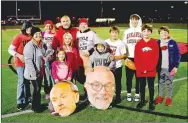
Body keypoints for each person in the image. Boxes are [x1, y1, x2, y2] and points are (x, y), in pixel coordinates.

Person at [8, 21, 33, 110]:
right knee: (22, 81)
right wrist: (19, 55)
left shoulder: (31, 37)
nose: (30, 29)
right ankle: (20, 101)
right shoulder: (18, 37)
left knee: (28, 81)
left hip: (29, 63)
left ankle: (28, 98)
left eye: (31, 27)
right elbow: (10, 50)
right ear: (24, 28)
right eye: (28, 27)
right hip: (20, 63)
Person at [134, 24, 159, 111]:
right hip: (140, 70)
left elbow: (156, 57)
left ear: (151, 32)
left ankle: (151, 102)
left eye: (148, 31)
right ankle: (142, 101)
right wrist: (141, 69)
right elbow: (136, 58)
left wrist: (149, 69)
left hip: (151, 70)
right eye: (144, 31)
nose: (146, 33)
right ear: (142, 32)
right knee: (142, 86)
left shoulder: (154, 43)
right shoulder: (138, 44)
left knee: (151, 86)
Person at [155, 26, 181, 106]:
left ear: (168, 33)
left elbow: (177, 54)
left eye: (165, 32)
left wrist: (176, 66)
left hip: (170, 68)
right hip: (160, 68)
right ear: (159, 34)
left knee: (169, 83)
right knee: (160, 82)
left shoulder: (173, 42)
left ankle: (168, 98)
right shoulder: (157, 43)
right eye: (162, 33)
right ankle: (160, 96)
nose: (164, 34)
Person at [23, 27, 47, 113]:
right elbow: (28, 61)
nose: (38, 35)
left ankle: (37, 105)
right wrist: (34, 74)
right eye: (36, 34)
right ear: (32, 35)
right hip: (33, 73)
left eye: (39, 33)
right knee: (36, 89)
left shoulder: (42, 44)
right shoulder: (29, 45)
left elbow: (44, 54)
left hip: (40, 71)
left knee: (38, 89)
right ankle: (36, 108)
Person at [122, 14, 143, 102]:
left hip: (140, 58)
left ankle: (137, 94)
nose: (134, 21)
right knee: (129, 78)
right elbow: (124, 45)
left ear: (139, 20)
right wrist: (125, 57)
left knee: (138, 77)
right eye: (133, 19)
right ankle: (129, 93)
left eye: (136, 19)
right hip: (129, 58)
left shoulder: (142, 31)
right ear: (130, 21)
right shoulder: (126, 32)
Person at [105, 26, 127, 104]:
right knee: (107, 82)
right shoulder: (106, 42)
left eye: (116, 33)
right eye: (113, 33)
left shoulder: (121, 43)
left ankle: (118, 97)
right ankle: (108, 96)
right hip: (107, 67)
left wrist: (115, 57)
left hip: (117, 66)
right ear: (110, 33)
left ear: (118, 34)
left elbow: (124, 55)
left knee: (117, 82)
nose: (114, 34)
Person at [42, 20, 55, 99]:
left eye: (50, 26)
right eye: (47, 26)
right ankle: (47, 92)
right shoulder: (42, 34)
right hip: (44, 58)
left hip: (53, 57)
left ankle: (54, 90)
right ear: (44, 26)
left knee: (53, 75)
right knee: (46, 76)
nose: (48, 27)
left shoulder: (54, 34)